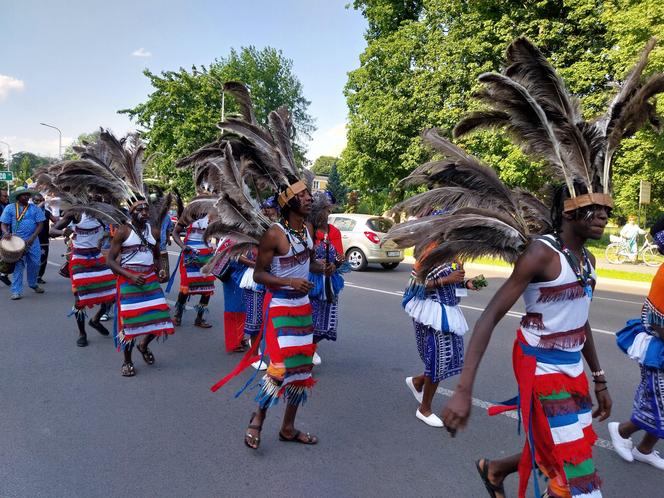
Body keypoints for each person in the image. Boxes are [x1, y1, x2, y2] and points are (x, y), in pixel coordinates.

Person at [610, 215, 664, 470]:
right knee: (657, 404)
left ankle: (644, 448)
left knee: (658, 405)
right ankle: (621, 431)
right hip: (659, 349)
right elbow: (659, 324)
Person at [404, 254, 480, 427]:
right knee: (438, 359)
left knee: (447, 358)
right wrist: (444, 280)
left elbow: (454, 282)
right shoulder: (428, 253)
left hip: (449, 312)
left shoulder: (456, 253)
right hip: (432, 314)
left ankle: (418, 381)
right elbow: (413, 286)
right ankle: (424, 409)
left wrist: (466, 283)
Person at [106, 199, 174, 376]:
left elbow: (157, 256)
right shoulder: (123, 231)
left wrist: (160, 270)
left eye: (146, 209)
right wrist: (130, 275)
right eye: (140, 209)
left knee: (161, 316)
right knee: (129, 324)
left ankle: (143, 345)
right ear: (131, 212)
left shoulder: (154, 232)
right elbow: (110, 261)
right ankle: (127, 361)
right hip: (129, 281)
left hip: (150, 280)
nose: (145, 212)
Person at [50, 209, 116, 347]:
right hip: (79, 260)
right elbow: (52, 231)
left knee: (112, 294)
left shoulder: (102, 212)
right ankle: (82, 333)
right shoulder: (75, 214)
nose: (96, 195)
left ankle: (95, 320)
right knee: (80, 300)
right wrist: (63, 232)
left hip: (97, 258)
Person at [307, 191, 348, 365]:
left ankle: (311, 348)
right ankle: (305, 353)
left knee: (322, 323)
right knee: (308, 319)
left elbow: (340, 256)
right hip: (310, 281)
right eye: (324, 209)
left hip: (329, 282)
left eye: (328, 209)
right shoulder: (308, 229)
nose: (327, 213)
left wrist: (336, 264)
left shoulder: (334, 231)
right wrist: (316, 263)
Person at [172, 211, 216, 328]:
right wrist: (183, 246)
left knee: (207, 288)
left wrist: (216, 245)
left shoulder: (213, 215)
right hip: (189, 254)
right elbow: (175, 232)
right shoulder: (188, 215)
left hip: (206, 255)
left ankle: (199, 318)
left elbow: (217, 235)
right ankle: (178, 315)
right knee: (186, 287)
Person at [0, 186, 45, 299]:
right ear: (18, 197)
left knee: (35, 263)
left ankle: (33, 284)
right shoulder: (10, 208)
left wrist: (33, 237)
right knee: (18, 266)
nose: (27, 196)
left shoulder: (35, 208)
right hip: (16, 242)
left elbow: (40, 224)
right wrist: (6, 232)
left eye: (28, 194)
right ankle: (16, 291)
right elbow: (4, 224)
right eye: (24, 194)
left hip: (33, 241)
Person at [33, 193, 58, 284]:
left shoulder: (47, 212)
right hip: (32, 239)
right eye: (36, 201)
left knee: (43, 259)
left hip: (44, 239)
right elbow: (34, 212)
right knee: (33, 259)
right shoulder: (30, 211)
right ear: (33, 201)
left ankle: (39, 277)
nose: (39, 202)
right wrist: (41, 204)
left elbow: (56, 221)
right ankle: (33, 277)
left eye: (41, 200)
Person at [0, 189, 11, 286]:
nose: (6, 198)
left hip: (6, 235)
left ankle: (4, 274)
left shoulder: (6, 206)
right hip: (2, 235)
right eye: (4, 196)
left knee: (7, 256)